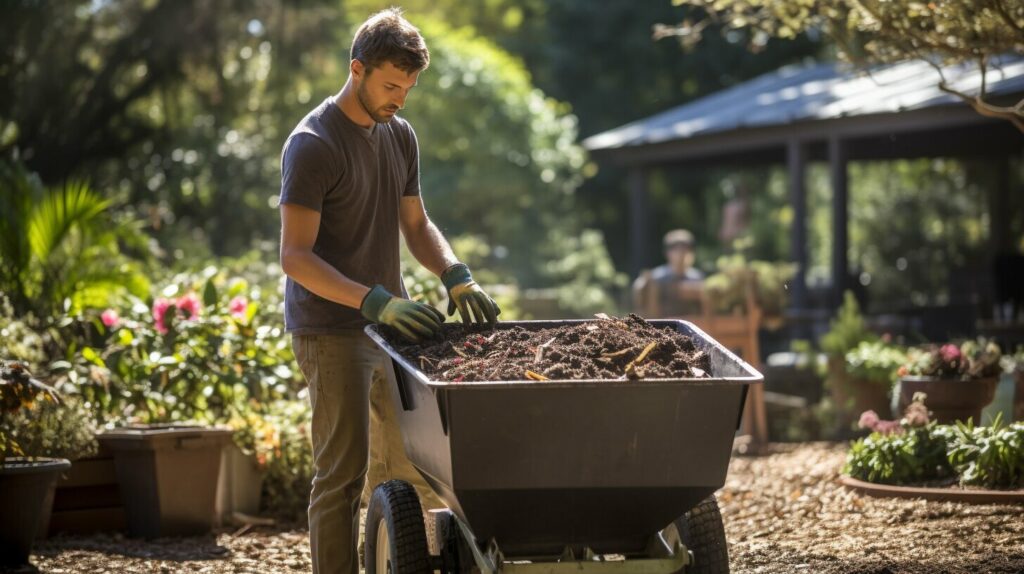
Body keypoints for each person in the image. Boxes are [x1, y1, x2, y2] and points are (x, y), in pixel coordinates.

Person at [277, 9, 500, 574]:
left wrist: (455, 272)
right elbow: (295, 257)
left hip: (389, 329)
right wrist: (374, 300)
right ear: (358, 70)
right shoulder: (313, 144)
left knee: (407, 470)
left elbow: (417, 223)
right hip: (330, 331)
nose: (400, 98)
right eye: (391, 85)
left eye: (409, 87)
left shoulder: (399, 134)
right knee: (341, 476)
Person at [633, 229, 705, 317]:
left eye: (685, 248)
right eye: (676, 249)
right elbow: (640, 290)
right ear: (667, 253)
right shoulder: (656, 277)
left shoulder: (697, 278)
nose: (681, 253)